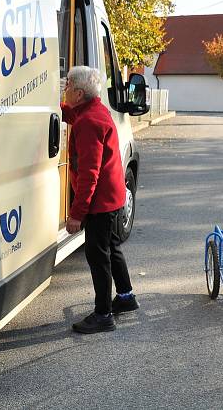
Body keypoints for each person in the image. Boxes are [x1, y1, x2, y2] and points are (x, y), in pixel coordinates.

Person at [61, 66, 139, 333]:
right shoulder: (96, 110)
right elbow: (72, 113)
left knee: (99, 257)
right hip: (113, 195)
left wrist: (76, 214)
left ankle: (104, 313)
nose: (65, 87)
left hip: (99, 203)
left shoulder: (88, 123)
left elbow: (89, 174)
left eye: (68, 85)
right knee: (112, 248)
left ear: (79, 92)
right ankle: (126, 297)